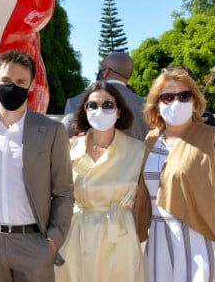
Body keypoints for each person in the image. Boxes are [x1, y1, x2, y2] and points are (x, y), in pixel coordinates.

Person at [0, 49, 73, 282]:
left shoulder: (52, 131)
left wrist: (52, 242)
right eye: (6, 81)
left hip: (34, 243)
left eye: (20, 81)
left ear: (31, 85)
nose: (12, 87)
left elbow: (63, 191)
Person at [134, 68, 215, 282]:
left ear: (194, 101)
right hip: (159, 239)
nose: (176, 102)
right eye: (167, 97)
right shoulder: (151, 139)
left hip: (200, 237)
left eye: (184, 95)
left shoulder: (211, 137)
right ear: (157, 104)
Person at [55, 81, 145, 282]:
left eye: (107, 105)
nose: (99, 110)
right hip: (75, 238)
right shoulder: (69, 148)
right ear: (85, 110)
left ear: (119, 111)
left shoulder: (138, 150)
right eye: (92, 105)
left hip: (119, 240)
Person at [63, 52, 148, 140]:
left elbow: (64, 141)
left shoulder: (75, 102)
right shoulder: (146, 106)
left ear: (106, 72)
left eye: (100, 69)